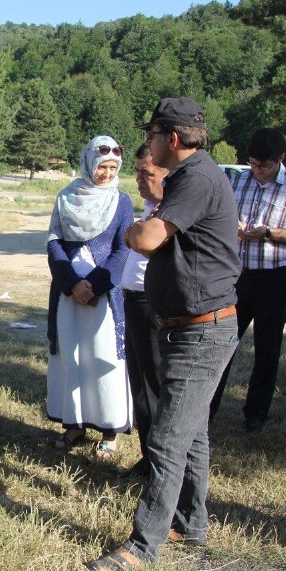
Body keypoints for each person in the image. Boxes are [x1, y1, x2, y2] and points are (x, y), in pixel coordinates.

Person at [88, 97, 240, 571]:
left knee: (167, 440)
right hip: (191, 326)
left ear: (171, 139)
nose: (148, 145)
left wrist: (133, 231)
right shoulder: (193, 176)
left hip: (202, 329)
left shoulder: (195, 178)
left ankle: (142, 545)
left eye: (152, 136)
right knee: (190, 432)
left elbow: (148, 239)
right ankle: (191, 522)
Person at [208, 128, 286, 434]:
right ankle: (207, 409)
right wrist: (234, 227)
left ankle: (255, 414)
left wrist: (269, 232)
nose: (257, 171)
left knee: (267, 348)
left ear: (280, 159)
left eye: (264, 166)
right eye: (253, 163)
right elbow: (220, 218)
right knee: (223, 343)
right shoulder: (239, 180)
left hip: (275, 277)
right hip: (237, 274)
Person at [46, 136, 133, 460]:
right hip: (68, 296)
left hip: (103, 298)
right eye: (102, 167)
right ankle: (75, 423)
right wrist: (71, 283)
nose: (107, 174)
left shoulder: (121, 202)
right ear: (88, 163)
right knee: (72, 356)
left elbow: (123, 248)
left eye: (113, 168)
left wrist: (95, 285)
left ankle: (110, 430)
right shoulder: (66, 196)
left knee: (102, 356)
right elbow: (54, 242)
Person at [117, 142, 168, 477]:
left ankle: (160, 463)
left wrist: (135, 233)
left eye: (146, 173)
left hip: (155, 305)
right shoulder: (151, 207)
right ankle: (147, 455)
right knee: (140, 386)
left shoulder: (173, 214)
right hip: (134, 302)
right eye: (136, 172)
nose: (138, 179)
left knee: (155, 386)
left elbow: (138, 241)